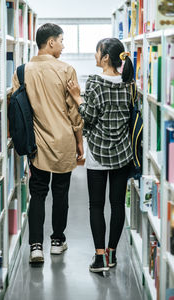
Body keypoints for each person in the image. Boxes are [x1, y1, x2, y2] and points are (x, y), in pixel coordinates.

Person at [12, 23, 84, 264]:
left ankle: (35, 247)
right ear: (51, 42)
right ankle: (57, 241)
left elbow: (18, 109)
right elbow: (75, 113)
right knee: (61, 192)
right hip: (63, 141)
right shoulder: (66, 70)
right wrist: (79, 144)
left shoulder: (22, 71)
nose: (63, 46)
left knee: (38, 193)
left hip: (37, 143)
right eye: (62, 41)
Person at [67, 38, 135, 273]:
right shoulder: (128, 83)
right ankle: (112, 254)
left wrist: (77, 97)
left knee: (96, 205)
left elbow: (89, 117)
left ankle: (99, 259)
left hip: (97, 154)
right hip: (123, 154)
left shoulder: (95, 83)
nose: (95, 56)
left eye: (97, 52)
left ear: (105, 57)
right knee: (117, 205)